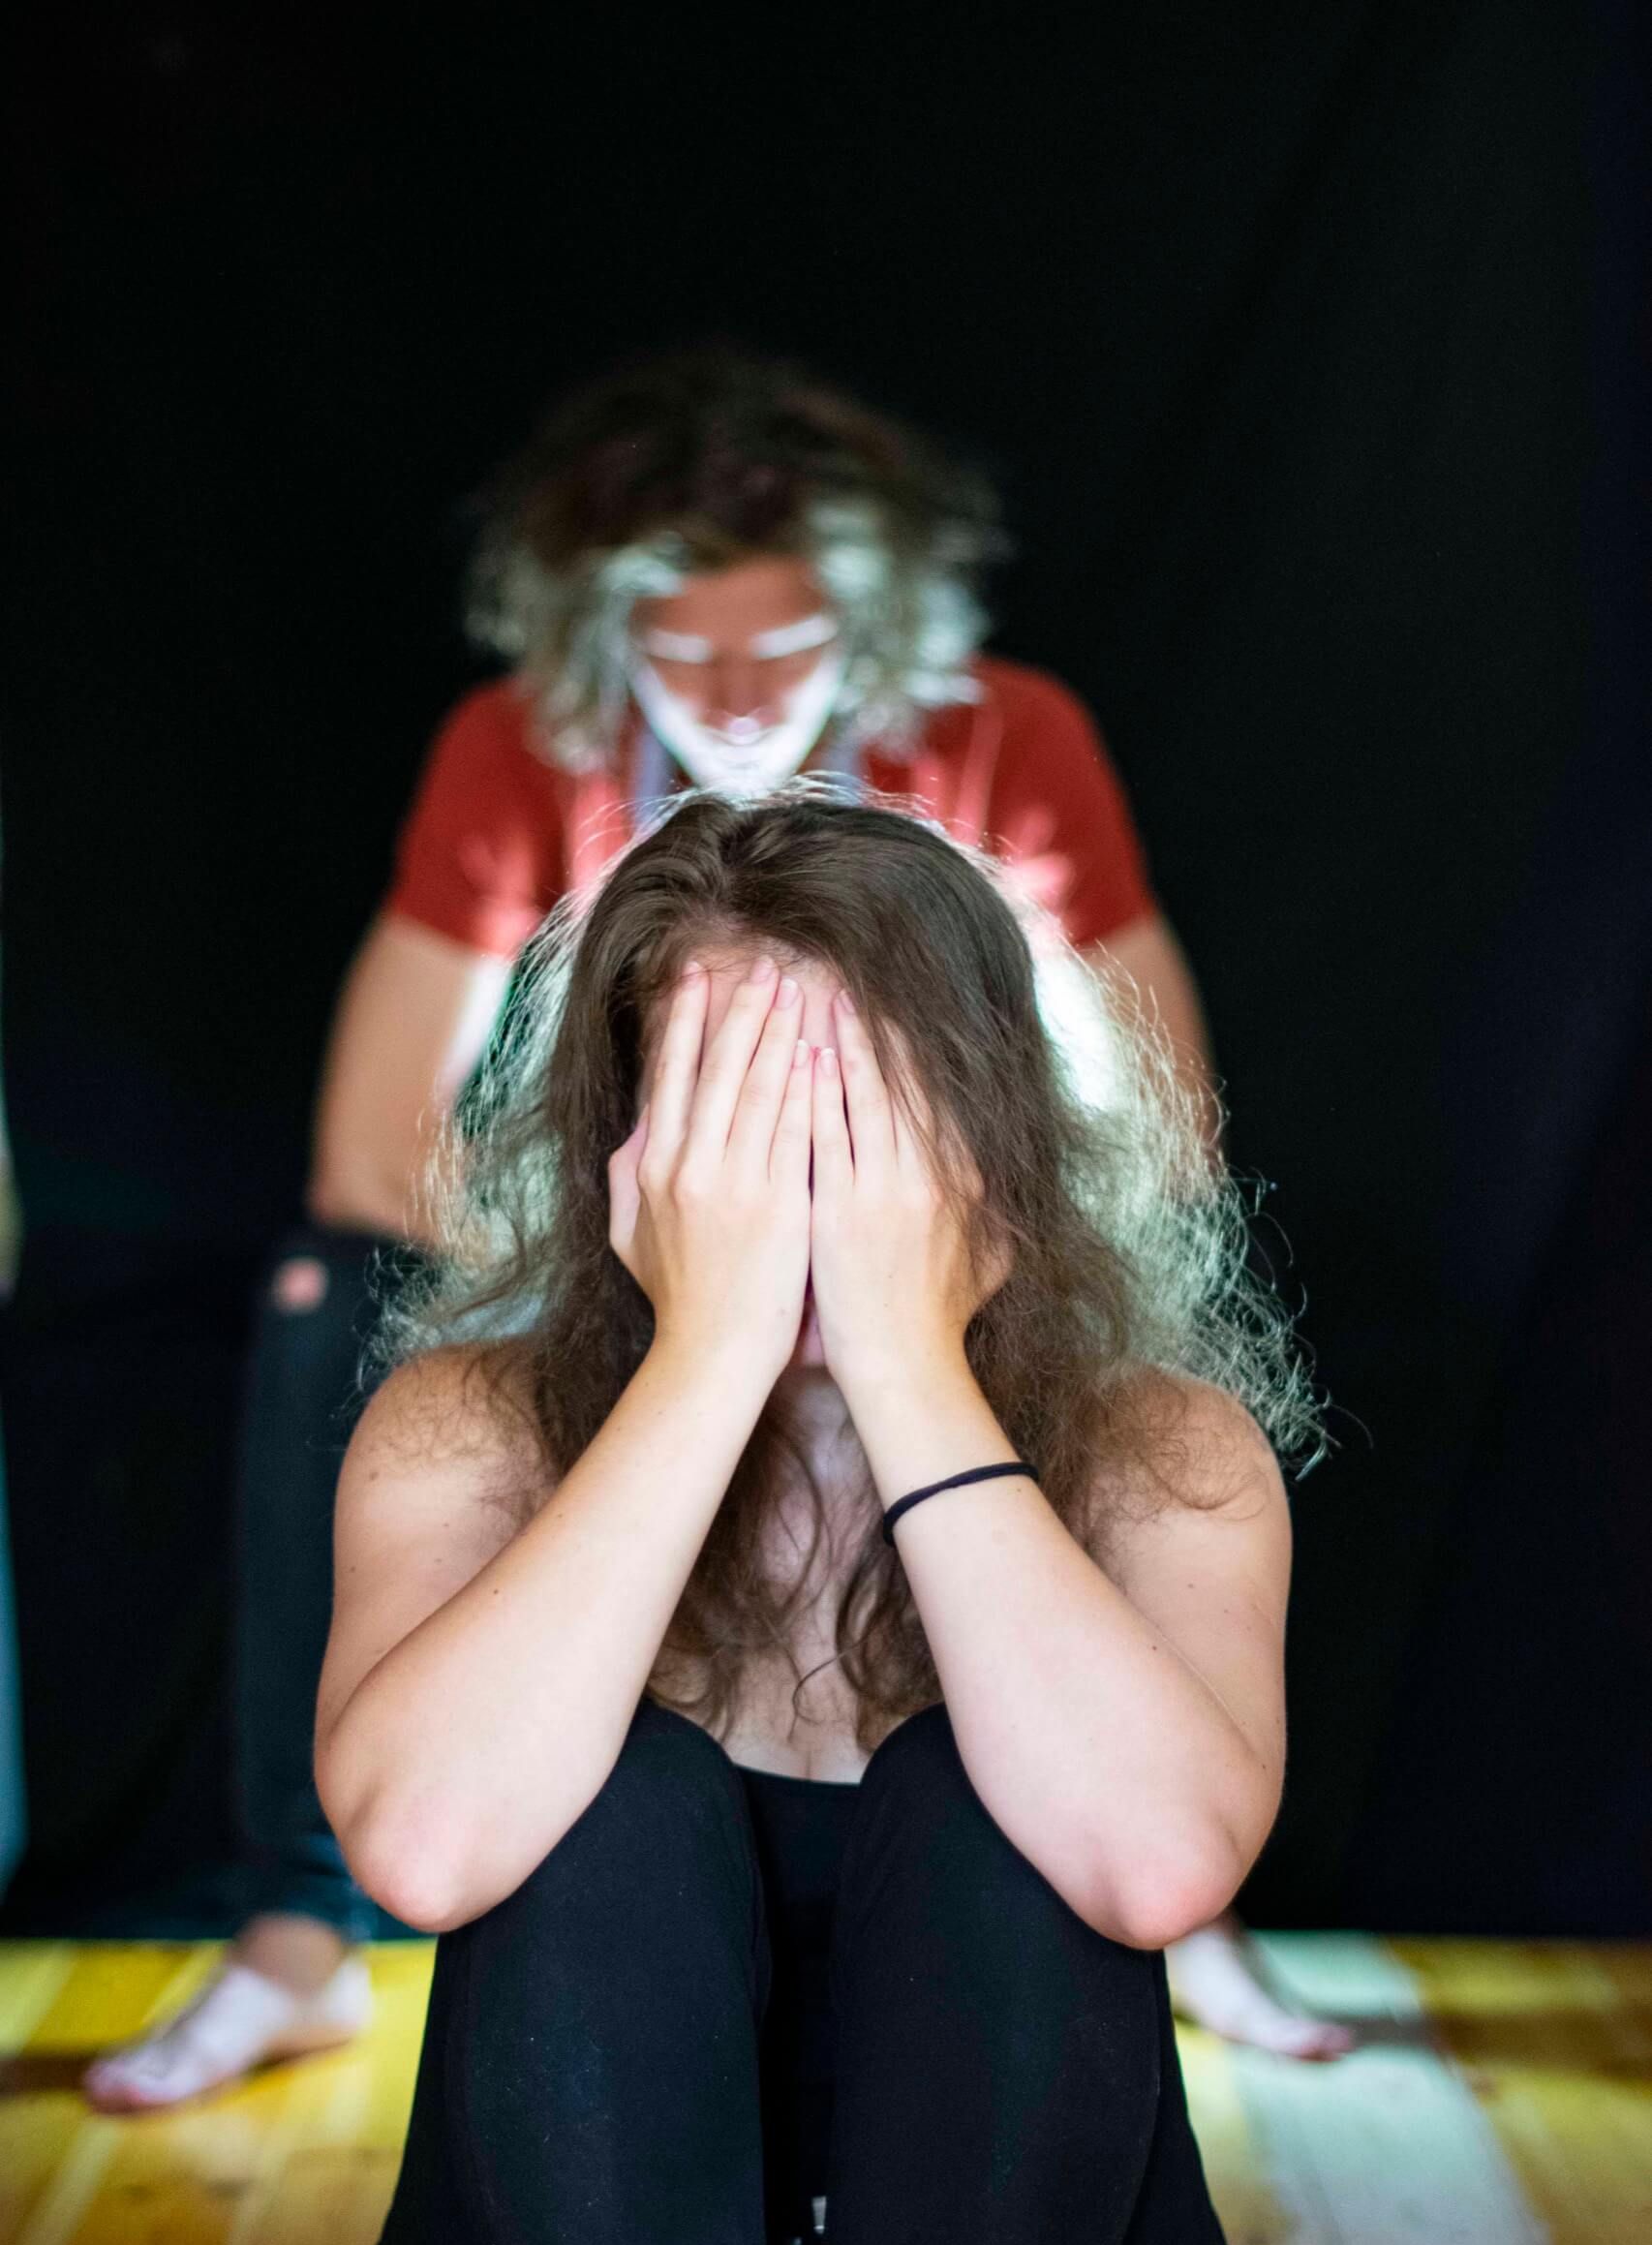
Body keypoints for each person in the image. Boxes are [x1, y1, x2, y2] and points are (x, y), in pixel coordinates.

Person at [84, 350, 1338, 2114]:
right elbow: (372, 1151)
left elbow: (1168, 1114)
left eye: (785, 646)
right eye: (682, 654)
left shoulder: (1002, 732)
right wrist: (678, 1254)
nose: (736, 699)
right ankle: (297, 1923)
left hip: (973, 1236)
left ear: (872, 621)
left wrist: (920, 1239)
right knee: (325, 1293)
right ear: (602, 635)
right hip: (619, 1236)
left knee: (1171, 1357)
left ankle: (1165, 1834)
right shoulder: (526, 750)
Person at [325, 789, 1318, 2245]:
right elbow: (423, 1852)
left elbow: (1153, 1868)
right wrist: (704, 1352)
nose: (792, 1171)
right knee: (608, 1802)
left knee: (989, 1802)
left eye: (853, 1111)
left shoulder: (1167, 1455)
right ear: (627, 1148)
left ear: (987, 1128)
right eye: (728, 1108)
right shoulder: (462, 1433)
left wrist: (905, 1361)